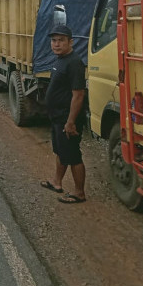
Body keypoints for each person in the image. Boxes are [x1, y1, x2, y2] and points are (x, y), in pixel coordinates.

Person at [41, 24, 87, 204]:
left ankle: (79, 193)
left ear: (71, 42)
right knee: (60, 150)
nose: (56, 44)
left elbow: (78, 95)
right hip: (58, 117)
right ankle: (56, 182)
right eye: (54, 40)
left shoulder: (74, 62)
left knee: (73, 155)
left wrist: (70, 122)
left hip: (68, 119)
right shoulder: (60, 59)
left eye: (61, 40)